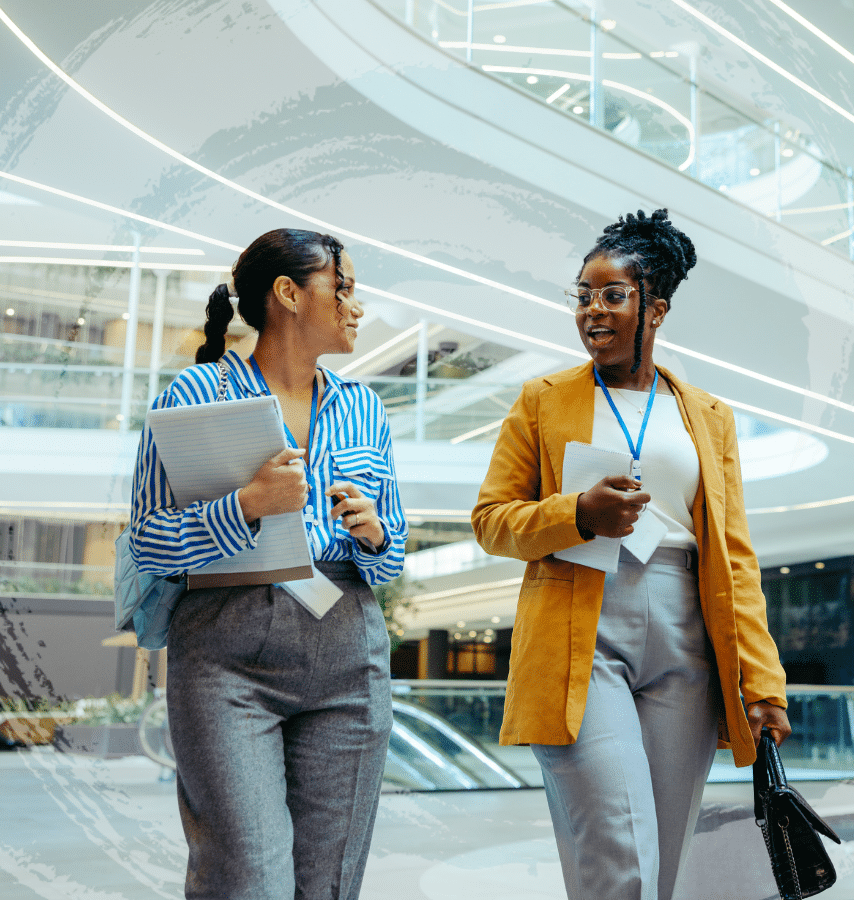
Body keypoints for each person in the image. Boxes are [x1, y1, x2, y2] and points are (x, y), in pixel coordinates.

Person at [473, 209, 791, 900]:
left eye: (612, 295)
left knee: (663, 856)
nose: (592, 309)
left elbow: (734, 556)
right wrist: (578, 514)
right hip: (579, 624)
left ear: (656, 308)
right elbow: (492, 522)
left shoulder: (706, 414)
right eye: (582, 294)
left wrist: (763, 683)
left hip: (687, 632)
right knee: (618, 849)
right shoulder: (543, 400)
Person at [129, 228, 406, 900]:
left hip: (348, 647)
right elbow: (147, 542)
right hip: (226, 650)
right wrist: (246, 505)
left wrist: (374, 535)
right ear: (287, 292)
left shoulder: (365, 407)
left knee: (330, 879)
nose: (355, 306)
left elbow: (391, 554)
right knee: (247, 874)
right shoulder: (194, 394)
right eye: (342, 288)